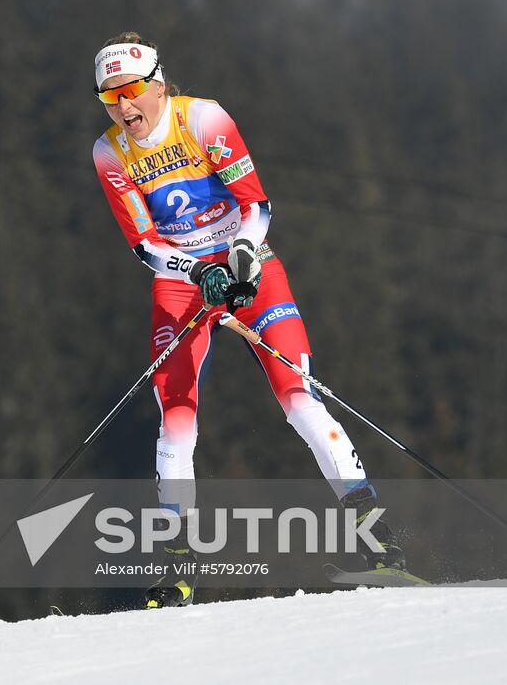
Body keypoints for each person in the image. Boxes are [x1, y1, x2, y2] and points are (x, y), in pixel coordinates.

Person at [90, 31, 404, 608]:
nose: (123, 107)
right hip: (179, 283)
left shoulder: (204, 119)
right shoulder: (109, 152)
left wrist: (236, 259)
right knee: (176, 413)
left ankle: (378, 540)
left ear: (157, 83)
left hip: (247, 263)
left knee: (297, 395)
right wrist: (195, 269)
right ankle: (175, 564)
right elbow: (143, 245)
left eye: (131, 90)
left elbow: (255, 207)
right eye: (109, 97)